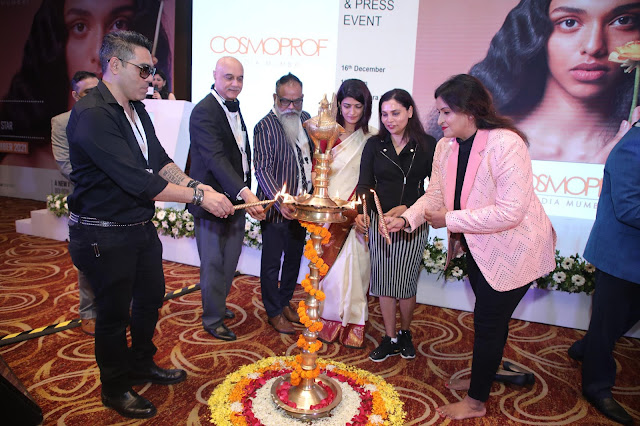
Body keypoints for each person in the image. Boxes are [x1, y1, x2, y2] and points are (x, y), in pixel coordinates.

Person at [66, 31, 233, 419]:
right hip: (102, 233)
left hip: (138, 227)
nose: (151, 78)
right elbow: (139, 181)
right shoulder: (93, 114)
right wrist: (199, 197)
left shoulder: (137, 109)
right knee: (113, 315)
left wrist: (197, 185)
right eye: (143, 70)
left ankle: (141, 362)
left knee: (150, 298)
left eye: (152, 70)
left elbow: (160, 162)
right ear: (115, 65)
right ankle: (114, 388)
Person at [387, 74, 556, 420]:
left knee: (488, 322)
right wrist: (406, 220)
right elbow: (435, 195)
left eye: (446, 112)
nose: (440, 119)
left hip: (515, 249)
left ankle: (476, 401)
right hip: (479, 248)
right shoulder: (445, 147)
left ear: (471, 110)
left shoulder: (506, 144)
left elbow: (511, 212)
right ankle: (487, 371)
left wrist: (450, 219)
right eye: (439, 111)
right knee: (491, 320)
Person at [427, 0, 640, 163]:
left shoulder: (630, 142)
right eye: (569, 22)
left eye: (623, 21)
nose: (594, 46)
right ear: (535, 31)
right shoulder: (496, 140)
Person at [0, 0, 172, 166]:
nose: (98, 53)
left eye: (119, 24)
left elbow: (159, 162)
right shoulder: (29, 158)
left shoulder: (138, 115)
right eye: (80, 26)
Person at [568, 111, 640, 425]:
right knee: (607, 324)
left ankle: (587, 347)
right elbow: (629, 208)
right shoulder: (633, 145)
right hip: (620, 256)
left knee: (619, 320)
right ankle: (597, 386)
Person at [355, 88, 436, 362]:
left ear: (410, 111)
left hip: (413, 223)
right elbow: (365, 185)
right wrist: (362, 213)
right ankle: (390, 337)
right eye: (385, 114)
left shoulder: (428, 145)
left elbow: (435, 190)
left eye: (396, 113)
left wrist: (407, 210)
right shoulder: (374, 145)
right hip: (381, 222)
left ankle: (405, 333)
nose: (389, 120)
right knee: (383, 281)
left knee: (406, 282)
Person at [188, 57, 265, 342]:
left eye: (240, 78)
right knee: (213, 262)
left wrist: (244, 192)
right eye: (229, 77)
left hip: (236, 202)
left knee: (230, 260)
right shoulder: (204, 111)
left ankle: (217, 305)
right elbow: (216, 159)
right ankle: (212, 319)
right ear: (215, 76)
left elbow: (240, 153)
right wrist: (246, 192)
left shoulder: (233, 106)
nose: (235, 83)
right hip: (212, 202)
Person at [316, 79, 375, 349]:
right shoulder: (327, 135)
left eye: (358, 107)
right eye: (347, 105)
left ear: (366, 107)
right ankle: (326, 324)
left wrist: (360, 211)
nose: (352, 112)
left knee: (356, 272)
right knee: (331, 275)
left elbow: (373, 179)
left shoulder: (372, 138)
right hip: (330, 216)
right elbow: (317, 174)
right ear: (339, 105)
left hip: (358, 215)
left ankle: (353, 327)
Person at [254, 73, 313, 335]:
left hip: (302, 206)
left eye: (297, 101)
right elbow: (262, 170)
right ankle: (273, 312)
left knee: (293, 258)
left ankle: (285, 301)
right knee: (271, 263)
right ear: (275, 98)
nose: (291, 107)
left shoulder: (307, 119)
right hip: (277, 209)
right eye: (285, 101)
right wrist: (280, 202)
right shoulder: (264, 126)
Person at [50, 70, 99, 336]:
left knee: (117, 256)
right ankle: (88, 312)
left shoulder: (113, 116)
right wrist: (103, 181)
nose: (94, 96)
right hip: (86, 199)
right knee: (88, 258)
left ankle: (116, 305)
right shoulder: (62, 122)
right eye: (87, 92)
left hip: (116, 201)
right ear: (75, 95)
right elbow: (65, 165)